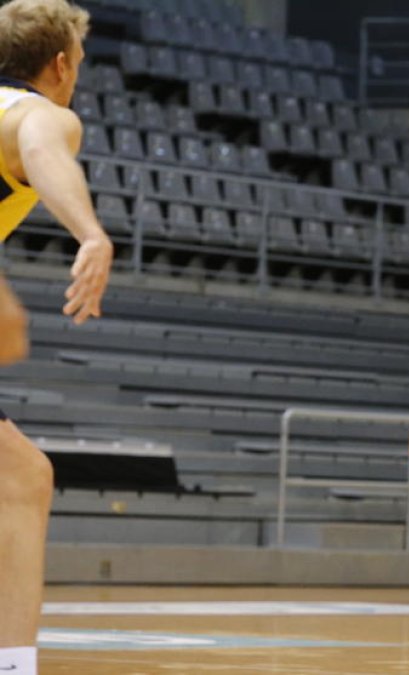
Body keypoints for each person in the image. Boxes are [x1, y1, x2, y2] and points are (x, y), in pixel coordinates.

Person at [0, 1, 113, 673]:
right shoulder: (39, 113)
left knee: (20, 474)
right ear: (61, 64)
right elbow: (44, 148)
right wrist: (91, 232)